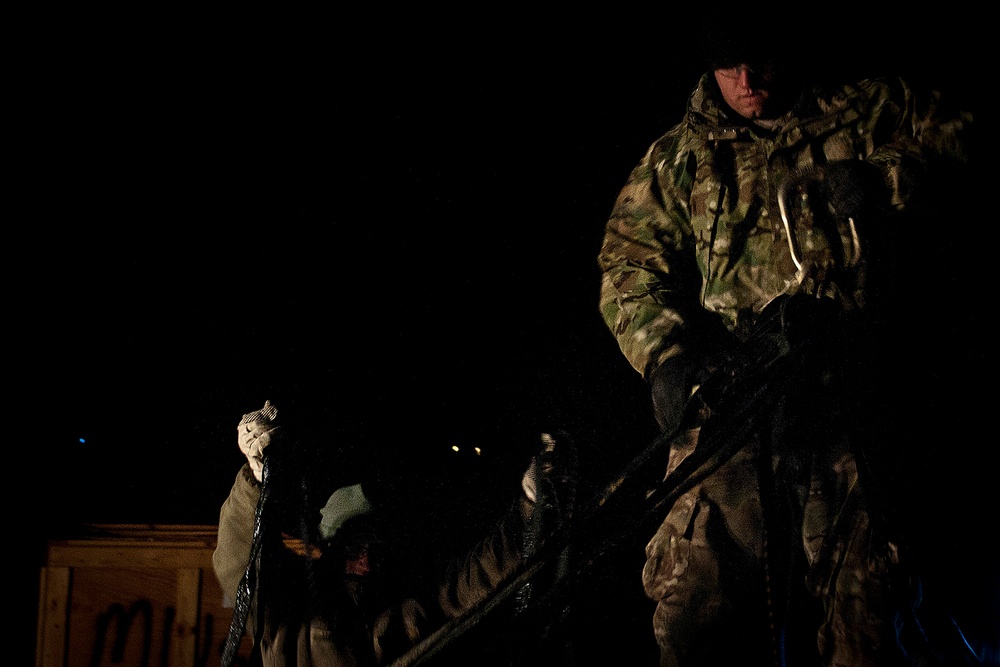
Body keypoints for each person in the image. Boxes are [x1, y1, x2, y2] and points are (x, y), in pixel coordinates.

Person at [596, 20, 973, 667]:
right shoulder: (679, 156)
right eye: (729, 64)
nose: (749, 81)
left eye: (761, 59)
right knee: (692, 617)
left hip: (852, 410)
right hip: (735, 412)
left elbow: (961, 140)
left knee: (869, 626)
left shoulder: (866, 110)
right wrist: (666, 359)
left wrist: (884, 183)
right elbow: (628, 264)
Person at [213, 399, 577, 667]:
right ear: (331, 548)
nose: (366, 556)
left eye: (375, 545)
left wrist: (531, 503)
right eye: (354, 545)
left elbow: (477, 578)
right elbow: (237, 563)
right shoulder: (286, 625)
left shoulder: (405, 615)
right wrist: (257, 476)